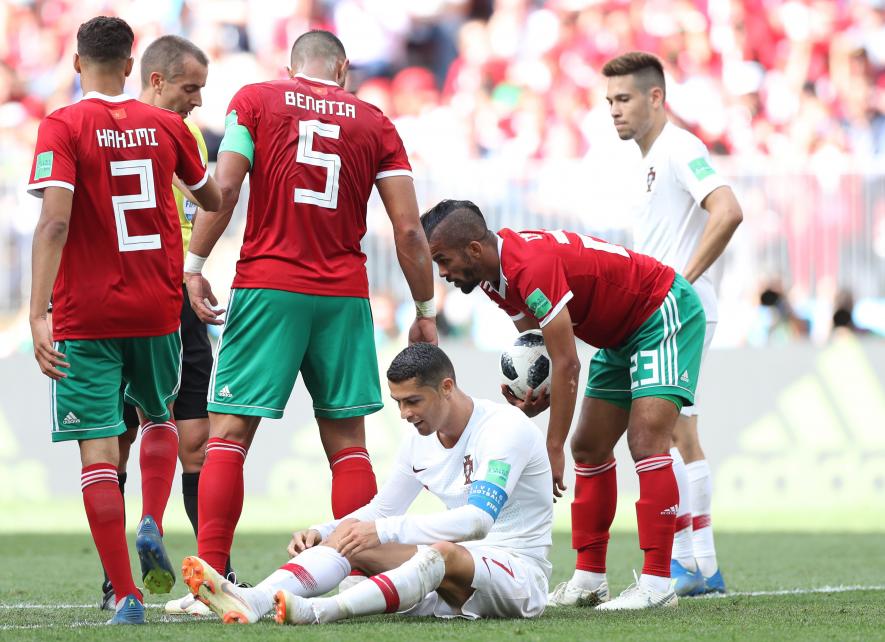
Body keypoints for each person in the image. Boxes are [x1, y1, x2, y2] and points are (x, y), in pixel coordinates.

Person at [182, 29, 438, 580]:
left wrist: (194, 264)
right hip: (343, 294)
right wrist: (425, 309)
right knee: (347, 443)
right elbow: (410, 231)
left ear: (290, 64)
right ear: (342, 68)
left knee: (228, 435)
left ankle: (211, 575)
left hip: (268, 285)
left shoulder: (255, 100)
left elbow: (223, 189)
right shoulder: (376, 122)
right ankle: (365, 579)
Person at [26, 16, 220, 624]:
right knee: (159, 415)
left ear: (77, 64)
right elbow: (211, 199)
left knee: (98, 455)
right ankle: (152, 519)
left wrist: (36, 313)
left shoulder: (61, 126)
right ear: (132, 66)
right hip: (157, 307)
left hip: (85, 314)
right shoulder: (169, 125)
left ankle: (127, 597)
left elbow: (55, 223)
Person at [421, 200, 707, 610]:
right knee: (588, 447)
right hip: (618, 333)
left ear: (473, 250)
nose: (443, 273)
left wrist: (550, 446)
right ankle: (590, 578)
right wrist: (538, 393)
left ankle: (658, 584)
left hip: (661, 311)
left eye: (443, 260)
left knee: (646, 441)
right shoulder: (490, 279)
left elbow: (568, 360)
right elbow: (540, 347)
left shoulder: (527, 267)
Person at [179, 342, 553, 624]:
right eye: (398, 403)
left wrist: (384, 530)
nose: (405, 413)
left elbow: (478, 522)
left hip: (518, 574)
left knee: (439, 551)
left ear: (447, 387)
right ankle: (255, 600)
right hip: (454, 571)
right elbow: (382, 510)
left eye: (413, 401)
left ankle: (319, 612)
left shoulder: (504, 429)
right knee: (353, 534)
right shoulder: (419, 439)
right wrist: (324, 530)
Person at [601, 51, 743, 596]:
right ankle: (700, 565)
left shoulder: (679, 147)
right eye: (609, 100)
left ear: (656, 97)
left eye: (625, 98)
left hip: (676, 310)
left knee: (666, 434)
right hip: (661, 310)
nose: (614, 110)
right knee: (680, 433)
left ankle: (694, 563)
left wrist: (678, 284)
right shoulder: (650, 160)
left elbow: (727, 209)